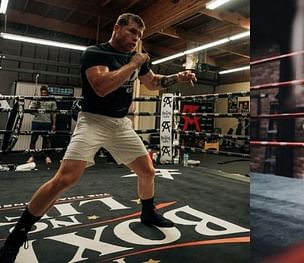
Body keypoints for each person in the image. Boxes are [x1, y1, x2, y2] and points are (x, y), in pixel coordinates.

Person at [0, 13, 197, 262]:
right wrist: (133, 64)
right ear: (117, 28)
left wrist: (178, 77)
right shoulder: (95, 53)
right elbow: (102, 86)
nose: (136, 38)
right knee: (65, 179)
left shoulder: (136, 58)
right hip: (93, 121)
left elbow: (153, 82)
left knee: (147, 171)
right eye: (132, 32)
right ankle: (17, 235)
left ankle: (147, 213)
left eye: (140, 35)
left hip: (120, 125)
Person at [26, 85, 57, 165]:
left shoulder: (52, 101)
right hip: (36, 122)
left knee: (46, 140)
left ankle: (47, 156)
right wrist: (34, 101)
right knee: (33, 139)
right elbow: (31, 111)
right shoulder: (37, 100)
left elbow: (54, 113)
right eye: (42, 93)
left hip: (47, 122)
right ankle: (31, 156)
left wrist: (54, 124)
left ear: (47, 93)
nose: (43, 94)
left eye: (45, 93)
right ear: (40, 93)